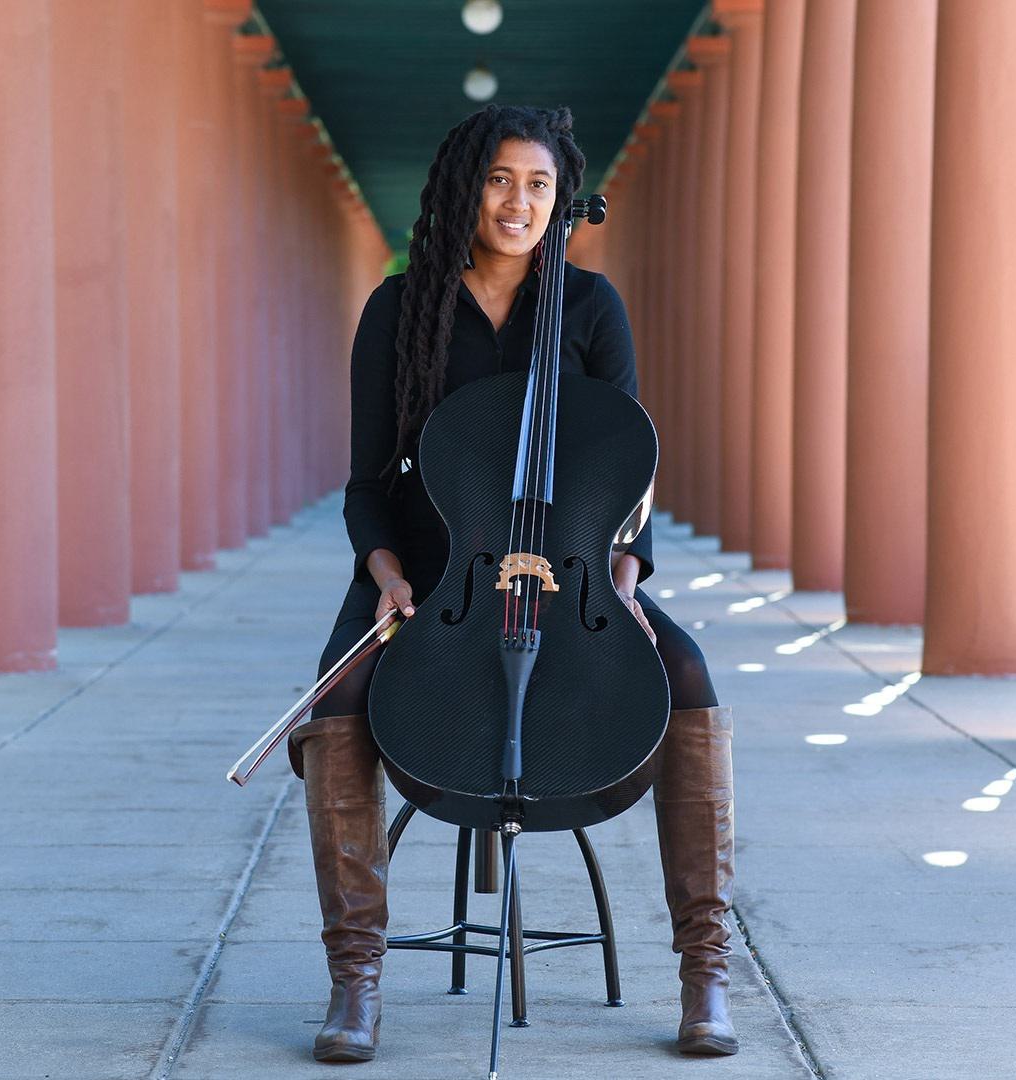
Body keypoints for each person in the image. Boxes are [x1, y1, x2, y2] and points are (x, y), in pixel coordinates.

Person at [285, 104, 737, 1064]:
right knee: (335, 709)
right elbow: (368, 485)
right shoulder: (397, 311)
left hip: (569, 562)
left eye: (539, 185)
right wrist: (387, 572)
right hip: (433, 571)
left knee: (690, 679)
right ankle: (354, 978)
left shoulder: (588, 306)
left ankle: (706, 972)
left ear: (562, 199)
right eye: (499, 180)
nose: (519, 202)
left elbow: (629, 470)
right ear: (464, 188)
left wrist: (623, 570)